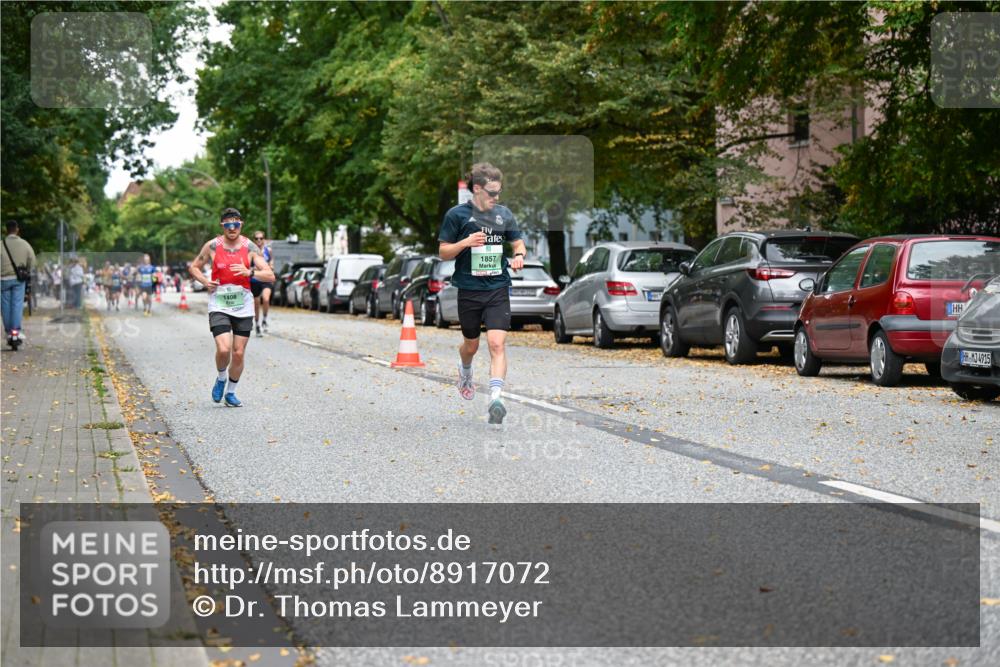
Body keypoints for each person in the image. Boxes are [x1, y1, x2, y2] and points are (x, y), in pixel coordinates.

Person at [438, 162, 526, 425]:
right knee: (471, 345)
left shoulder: (504, 215)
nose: (496, 198)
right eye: (491, 193)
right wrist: (465, 242)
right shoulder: (456, 215)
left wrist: (519, 255)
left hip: (498, 287)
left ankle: (495, 398)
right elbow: (443, 252)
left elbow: (518, 242)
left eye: (499, 193)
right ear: (476, 189)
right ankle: (465, 371)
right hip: (469, 289)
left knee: (497, 344)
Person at [188, 208, 274, 407]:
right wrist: (204, 281)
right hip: (219, 303)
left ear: (241, 225)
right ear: (222, 226)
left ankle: (231, 392)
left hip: (243, 304)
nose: (232, 227)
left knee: (238, 353)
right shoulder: (212, 246)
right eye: (228, 223)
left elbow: (269, 275)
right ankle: (220, 378)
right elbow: (194, 267)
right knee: (224, 348)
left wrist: (249, 272)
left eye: (236, 223)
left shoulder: (251, 247)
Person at [1, 220, 37, 343]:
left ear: (6, 230)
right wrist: (27, 270)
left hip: (3, 279)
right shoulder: (25, 244)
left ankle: (8, 331)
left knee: (5, 306)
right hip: (18, 280)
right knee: (17, 304)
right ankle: (15, 330)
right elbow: (32, 261)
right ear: (17, 230)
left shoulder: (1, 244)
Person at [250, 230, 274, 336]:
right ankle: (257, 325)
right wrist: (253, 268)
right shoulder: (250, 251)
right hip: (254, 280)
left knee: (266, 298)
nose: (259, 240)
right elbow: (247, 266)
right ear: (254, 240)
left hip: (265, 279)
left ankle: (264, 320)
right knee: (256, 303)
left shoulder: (268, 250)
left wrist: (270, 267)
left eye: (261, 238)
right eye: (256, 238)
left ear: (264, 239)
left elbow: (271, 264)